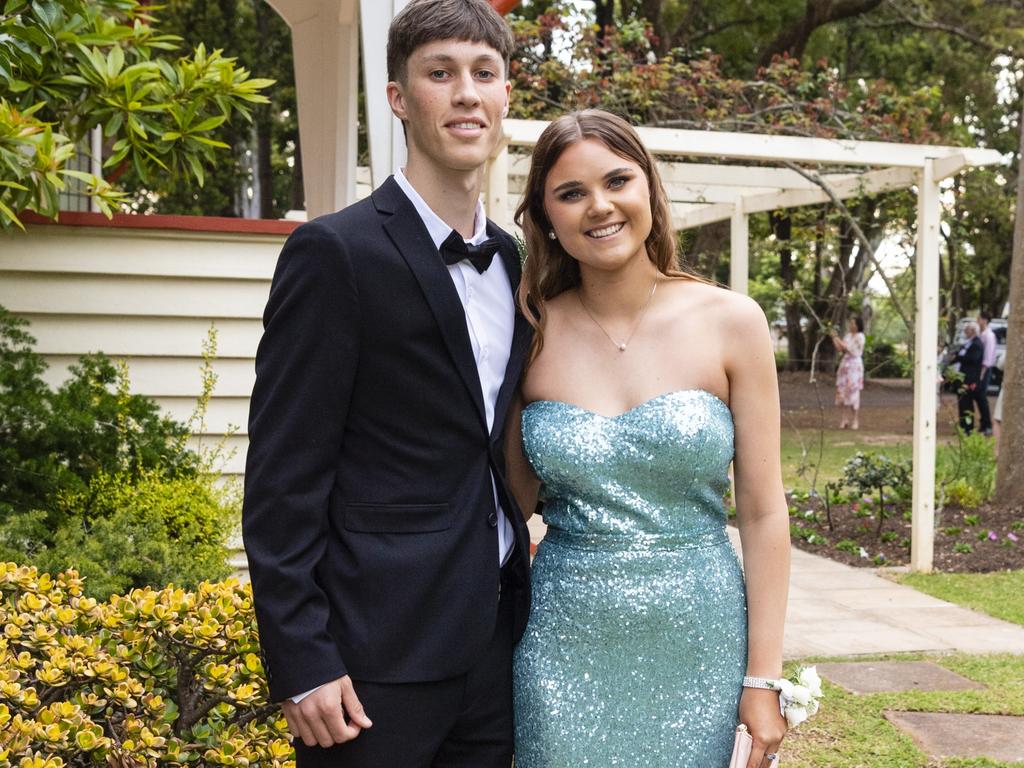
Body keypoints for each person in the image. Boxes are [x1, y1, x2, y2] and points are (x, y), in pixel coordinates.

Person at [241, 2, 532, 765]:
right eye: (440, 74)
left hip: (498, 644)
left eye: (484, 73)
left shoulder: (519, 263)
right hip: (373, 659)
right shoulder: (332, 253)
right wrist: (303, 658)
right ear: (399, 99)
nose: (466, 93)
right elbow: (283, 477)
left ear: (505, 95)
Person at [504, 110, 790, 768]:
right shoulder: (530, 333)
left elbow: (764, 511)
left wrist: (762, 676)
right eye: (571, 194)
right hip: (559, 641)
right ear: (547, 217)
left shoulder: (732, 322)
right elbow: (506, 506)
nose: (598, 206)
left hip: (698, 639)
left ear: (649, 191)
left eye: (617, 181)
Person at [830, 316, 865, 430]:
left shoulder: (860, 337)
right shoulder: (848, 336)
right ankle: (844, 419)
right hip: (845, 364)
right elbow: (841, 349)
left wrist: (836, 337)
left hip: (854, 366)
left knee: (853, 391)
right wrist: (834, 338)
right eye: (850, 323)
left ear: (858, 325)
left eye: (853, 323)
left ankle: (855, 419)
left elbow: (849, 348)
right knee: (843, 391)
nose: (851, 325)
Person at [955, 321, 985, 435]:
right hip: (963, 377)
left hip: (970, 378)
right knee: (962, 403)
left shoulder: (977, 344)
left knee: (967, 404)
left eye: (966, 329)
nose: (964, 332)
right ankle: (963, 426)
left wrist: (960, 357)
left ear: (972, 331)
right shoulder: (968, 343)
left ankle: (968, 427)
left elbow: (973, 359)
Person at [977, 312, 997, 435]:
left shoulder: (989, 336)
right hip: (980, 369)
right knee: (979, 397)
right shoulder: (982, 334)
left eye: (979, 319)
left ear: (984, 320)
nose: (977, 321)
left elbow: (988, 356)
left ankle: (987, 424)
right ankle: (984, 422)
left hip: (985, 369)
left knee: (982, 396)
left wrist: (982, 373)